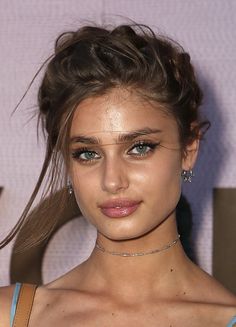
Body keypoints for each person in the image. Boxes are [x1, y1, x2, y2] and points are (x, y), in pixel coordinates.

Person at [0, 23, 236, 326]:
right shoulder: (11, 316)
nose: (112, 180)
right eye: (87, 153)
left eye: (139, 148)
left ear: (189, 149)